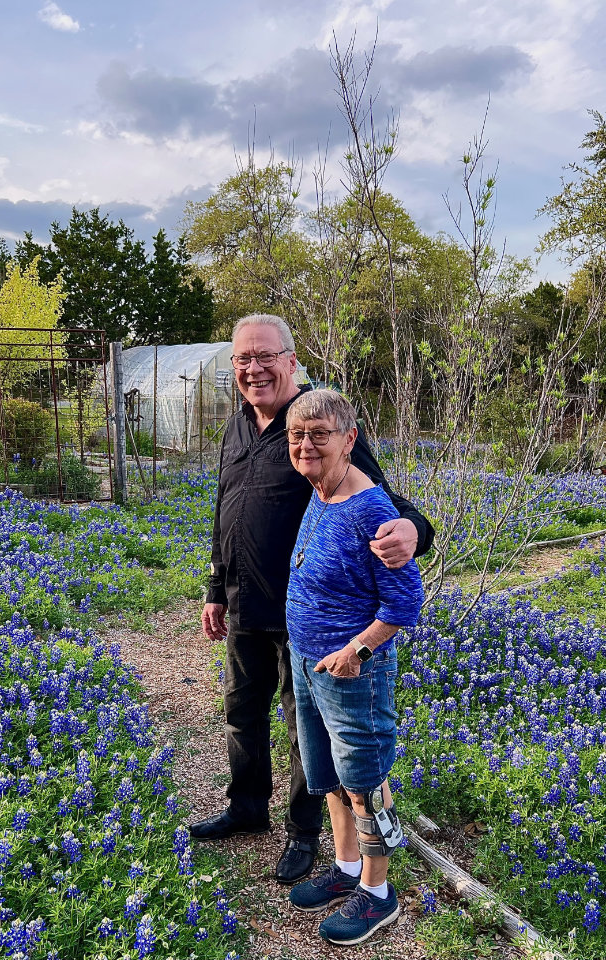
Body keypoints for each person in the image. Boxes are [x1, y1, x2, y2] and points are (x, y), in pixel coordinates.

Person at [190, 313, 433, 885]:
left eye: (265, 356)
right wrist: (215, 587)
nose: (254, 369)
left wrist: (415, 533)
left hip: (307, 619)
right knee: (242, 710)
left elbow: (384, 502)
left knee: (307, 730)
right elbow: (227, 509)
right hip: (245, 600)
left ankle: (304, 835)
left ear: (291, 360)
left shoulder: (321, 424)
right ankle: (247, 809)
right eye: (243, 360)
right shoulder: (237, 427)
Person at [283, 389, 424, 945]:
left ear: (350, 440)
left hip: (350, 674)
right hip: (307, 661)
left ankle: (378, 891)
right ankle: (345, 870)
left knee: (366, 783)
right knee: (332, 781)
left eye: (320, 434)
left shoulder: (373, 509)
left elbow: (404, 604)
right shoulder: (321, 493)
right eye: (298, 436)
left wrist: (356, 651)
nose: (307, 445)